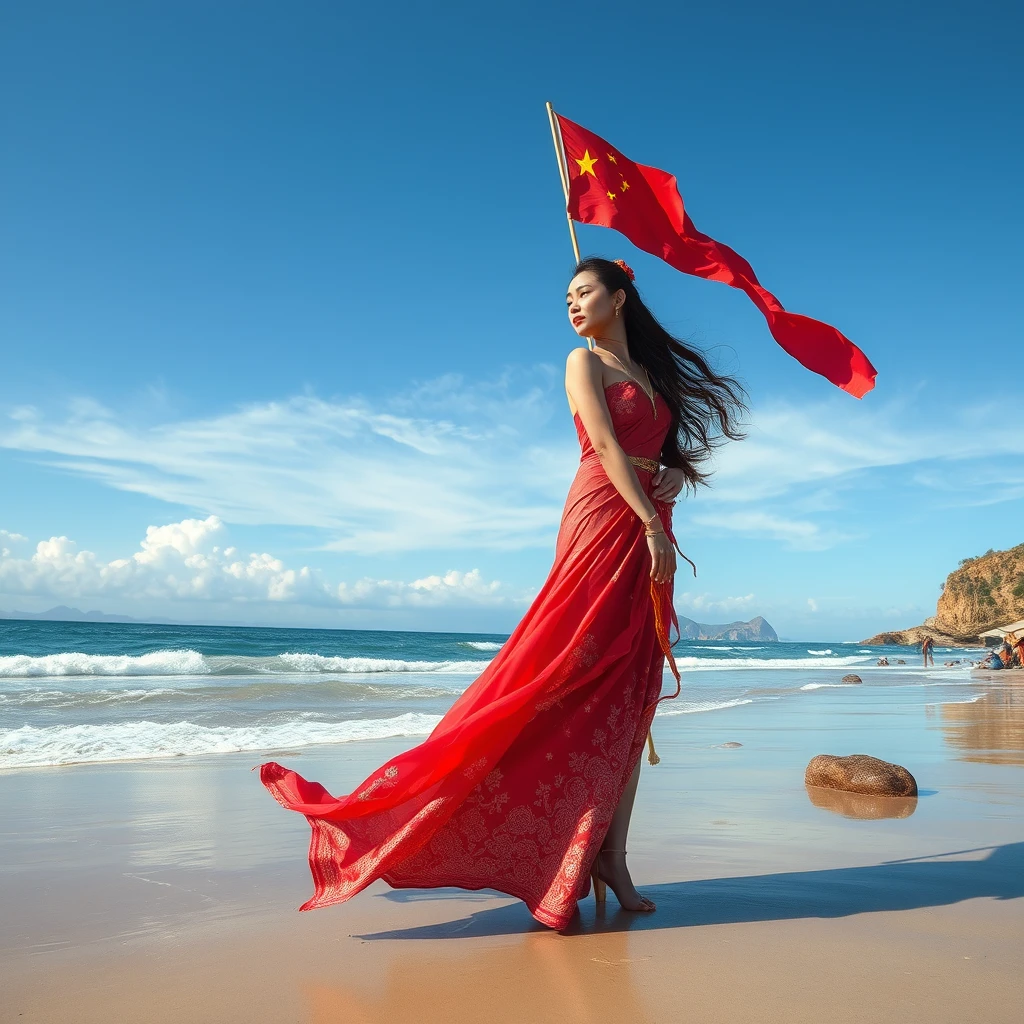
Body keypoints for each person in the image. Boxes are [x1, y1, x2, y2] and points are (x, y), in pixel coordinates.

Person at [259, 257, 746, 929]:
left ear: (620, 296)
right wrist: (647, 520)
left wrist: (672, 481)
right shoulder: (584, 365)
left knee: (629, 697)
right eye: (567, 297)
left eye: (585, 292)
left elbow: (655, 455)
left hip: (645, 517)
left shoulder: (651, 376)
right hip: (604, 517)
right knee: (560, 671)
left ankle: (612, 858)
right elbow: (604, 446)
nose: (573, 304)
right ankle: (422, 812)